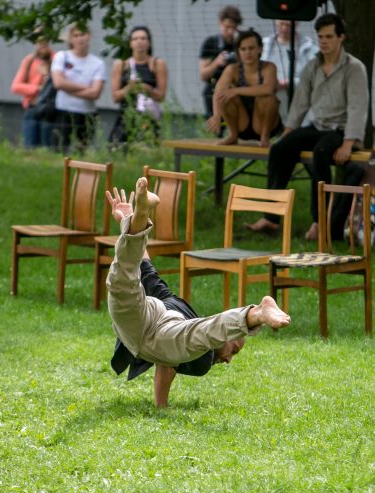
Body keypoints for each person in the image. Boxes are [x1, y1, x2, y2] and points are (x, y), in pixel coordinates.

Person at [106, 178, 291, 408]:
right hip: (153, 326)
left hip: (154, 312)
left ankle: (139, 214)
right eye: (233, 350)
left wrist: (130, 222)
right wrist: (160, 407)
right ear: (224, 340)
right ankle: (257, 313)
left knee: (123, 279)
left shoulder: (176, 304)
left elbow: (145, 267)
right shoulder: (204, 359)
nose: (228, 359)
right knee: (201, 333)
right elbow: (170, 362)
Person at [246, 14, 369, 240]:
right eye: (320, 37)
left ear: (341, 37)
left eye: (329, 36)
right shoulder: (313, 66)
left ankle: (319, 222)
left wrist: (349, 143)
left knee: (321, 153)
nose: (324, 41)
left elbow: (357, 108)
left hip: (341, 131)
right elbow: (300, 102)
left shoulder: (354, 68)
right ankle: (271, 217)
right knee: (280, 149)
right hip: (319, 126)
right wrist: (288, 133)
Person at [206, 29, 282, 148]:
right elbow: (218, 92)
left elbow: (268, 89)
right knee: (226, 96)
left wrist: (236, 90)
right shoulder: (232, 69)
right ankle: (233, 135)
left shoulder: (269, 67)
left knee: (268, 98)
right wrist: (216, 115)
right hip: (242, 124)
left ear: (260, 49)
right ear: (238, 51)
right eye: (243, 49)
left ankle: (264, 137)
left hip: (264, 124)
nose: (247, 53)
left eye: (251, 48)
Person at [50, 23, 106, 153]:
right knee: (59, 149)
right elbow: (58, 83)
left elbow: (95, 93)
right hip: (63, 110)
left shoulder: (98, 63)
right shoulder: (62, 56)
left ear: (89, 36)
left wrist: (68, 88)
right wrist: (85, 87)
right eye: (76, 35)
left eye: (82, 34)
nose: (80, 38)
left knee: (83, 151)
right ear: (70, 39)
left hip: (87, 113)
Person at [108, 26, 167, 148]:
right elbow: (115, 97)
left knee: (148, 150)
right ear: (130, 43)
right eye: (135, 39)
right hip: (126, 115)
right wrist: (129, 88)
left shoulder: (157, 64)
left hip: (148, 116)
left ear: (149, 43)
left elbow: (161, 96)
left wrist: (147, 89)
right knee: (118, 149)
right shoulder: (121, 64)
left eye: (143, 38)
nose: (139, 42)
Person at [261, 19, 317, 121]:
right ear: (276, 22)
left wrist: (289, 82)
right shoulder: (265, 44)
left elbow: (314, 77)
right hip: (270, 95)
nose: (284, 28)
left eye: (289, 25)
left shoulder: (309, 47)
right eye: (281, 24)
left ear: (296, 24)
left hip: (299, 96)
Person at [11, 31, 54, 148]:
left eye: (45, 40)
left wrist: (46, 76)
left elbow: (57, 84)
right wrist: (38, 89)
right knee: (29, 147)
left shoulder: (56, 59)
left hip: (49, 110)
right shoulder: (29, 60)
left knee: (48, 147)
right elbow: (16, 86)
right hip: (32, 107)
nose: (42, 43)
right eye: (39, 40)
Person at [199, 5, 243, 119]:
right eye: (226, 26)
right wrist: (216, 62)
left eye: (233, 28)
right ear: (220, 23)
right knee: (215, 126)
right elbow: (203, 75)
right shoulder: (210, 42)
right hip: (212, 89)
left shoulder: (241, 44)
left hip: (234, 91)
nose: (229, 31)